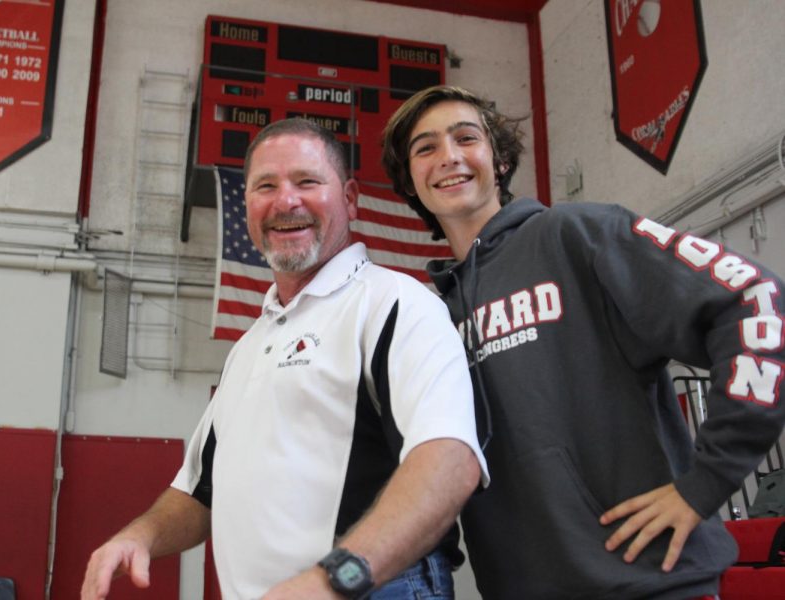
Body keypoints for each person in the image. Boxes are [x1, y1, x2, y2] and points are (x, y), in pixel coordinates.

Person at [381, 85, 785, 599]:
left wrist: (706, 481)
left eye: (466, 137)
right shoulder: (429, 315)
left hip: (652, 584)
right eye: (425, 148)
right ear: (410, 180)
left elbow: (755, 298)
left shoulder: (578, 234)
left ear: (500, 160)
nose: (450, 157)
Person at [80, 117, 490, 600]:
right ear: (248, 205)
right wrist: (140, 535)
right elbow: (199, 492)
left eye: (307, 182)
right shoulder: (248, 346)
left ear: (350, 198)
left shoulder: (395, 303)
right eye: (265, 186)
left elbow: (451, 461)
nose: (285, 201)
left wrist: (334, 580)